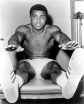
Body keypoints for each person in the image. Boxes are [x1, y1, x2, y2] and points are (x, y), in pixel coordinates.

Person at [0, 4, 84, 103]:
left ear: (46, 18)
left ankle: (67, 83)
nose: (38, 20)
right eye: (35, 16)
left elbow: (61, 36)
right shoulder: (23, 29)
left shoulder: (52, 29)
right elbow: (16, 36)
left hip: (47, 63)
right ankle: (13, 85)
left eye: (42, 17)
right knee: (22, 67)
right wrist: (13, 44)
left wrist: (66, 42)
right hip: (29, 62)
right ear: (30, 18)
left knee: (54, 68)